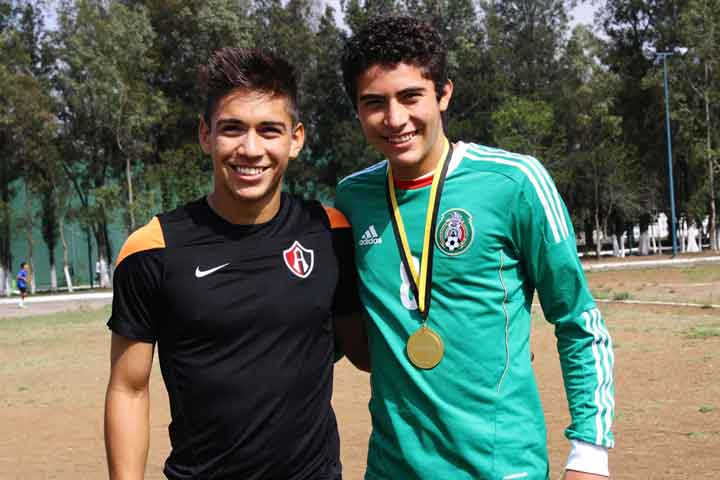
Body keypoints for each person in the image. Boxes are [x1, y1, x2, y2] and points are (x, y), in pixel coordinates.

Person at [335, 16, 615, 480]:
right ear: (357, 110)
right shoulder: (352, 199)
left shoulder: (514, 182)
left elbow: (578, 320)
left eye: (411, 96)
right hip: (391, 469)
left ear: (443, 94)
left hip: (502, 468)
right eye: (374, 102)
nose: (395, 118)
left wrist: (590, 455)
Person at [104, 47, 362, 480]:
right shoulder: (152, 249)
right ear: (206, 135)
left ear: (296, 139)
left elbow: (366, 352)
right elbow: (128, 389)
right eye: (232, 129)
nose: (250, 149)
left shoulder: (332, 232)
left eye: (269, 130)